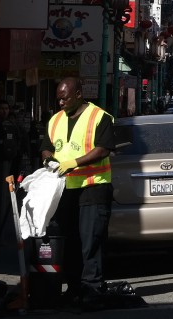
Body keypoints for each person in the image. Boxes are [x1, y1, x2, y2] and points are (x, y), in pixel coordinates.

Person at [40, 77, 115, 307]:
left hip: (93, 187)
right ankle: (73, 288)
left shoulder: (100, 117)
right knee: (70, 242)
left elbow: (103, 149)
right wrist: (48, 160)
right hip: (64, 190)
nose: (60, 103)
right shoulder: (55, 120)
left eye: (65, 98)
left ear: (79, 94)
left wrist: (74, 162)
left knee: (90, 241)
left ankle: (92, 289)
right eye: (58, 99)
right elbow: (46, 147)